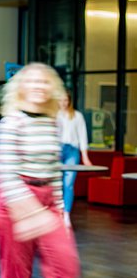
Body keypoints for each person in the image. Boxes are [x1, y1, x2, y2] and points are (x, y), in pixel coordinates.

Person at [0, 63, 81, 278]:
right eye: (33, 81)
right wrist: (31, 213)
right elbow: (6, 173)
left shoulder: (52, 122)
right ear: (21, 88)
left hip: (45, 200)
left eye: (46, 81)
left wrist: (60, 212)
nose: (40, 86)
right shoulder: (11, 122)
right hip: (14, 203)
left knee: (66, 269)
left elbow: (55, 171)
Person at [57, 92, 91, 227]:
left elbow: (83, 137)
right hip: (57, 150)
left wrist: (85, 157)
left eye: (66, 100)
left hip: (72, 151)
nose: (63, 103)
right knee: (56, 184)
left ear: (69, 101)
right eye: (61, 100)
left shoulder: (77, 116)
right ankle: (57, 212)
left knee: (68, 184)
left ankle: (66, 214)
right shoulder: (54, 115)